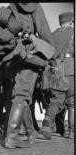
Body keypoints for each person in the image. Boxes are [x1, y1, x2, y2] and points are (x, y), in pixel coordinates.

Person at [0, 3, 56, 148]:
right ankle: (12, 137)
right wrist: (51, 55)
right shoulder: (34, 6)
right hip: (29, 54)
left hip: (13, 55)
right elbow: (44, 32)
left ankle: (30, 132)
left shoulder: (11, 7)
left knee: (19, 95)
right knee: (22, 95)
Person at [41, 12, 74, 140]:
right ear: (71, 21)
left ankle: (47, 122)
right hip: (71, 69)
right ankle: (72, 132)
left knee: (56, 99)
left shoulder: (52, 35)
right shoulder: (73, 33)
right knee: (72, 103)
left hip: (55, 69)